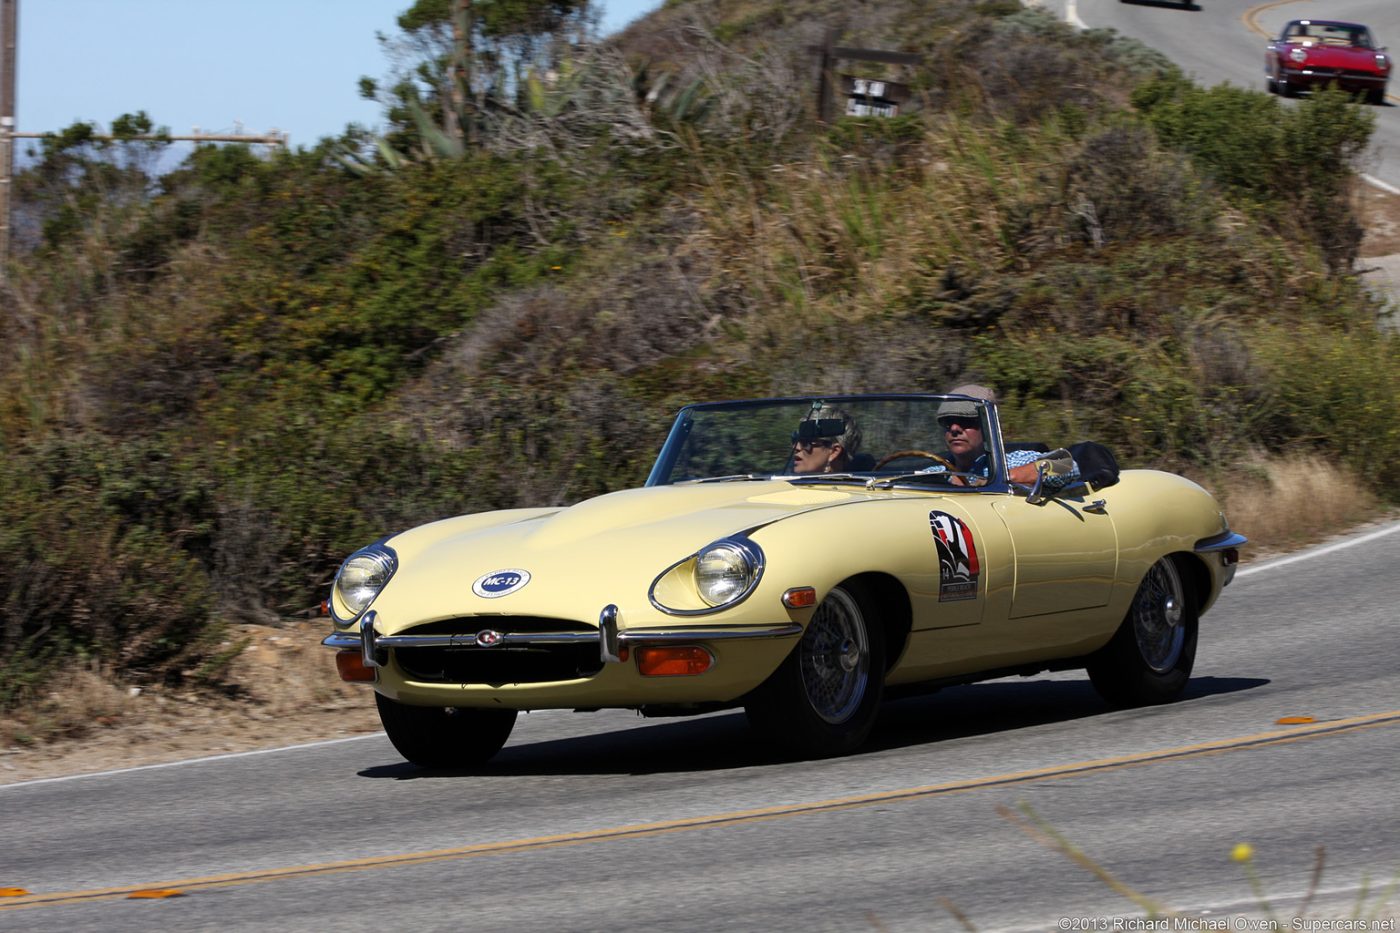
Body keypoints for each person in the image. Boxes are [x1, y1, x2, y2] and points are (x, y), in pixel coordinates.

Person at [931, 384, 1079, 489]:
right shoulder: (935, 472)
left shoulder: (1010, 462)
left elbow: (1067, 465)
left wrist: (1004, 478)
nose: (955, 429)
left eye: (966, 421)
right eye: (948, 422)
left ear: (989, 427)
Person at [791, 406, 864, 474]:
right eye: (795, 439)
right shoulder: (783, 480)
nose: (796, 447)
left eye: (805, 442)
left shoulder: (861, 486)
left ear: (834, 451)